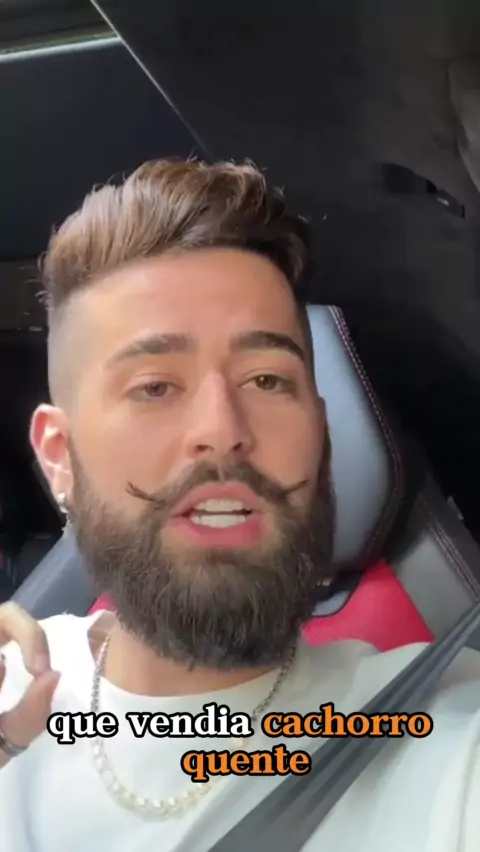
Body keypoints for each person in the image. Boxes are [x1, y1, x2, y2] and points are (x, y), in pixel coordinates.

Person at [0, 159, 479, 852]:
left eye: (266, 380)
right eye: (155, 387)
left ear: (320, 433)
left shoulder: (435, 732)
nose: (223, 429)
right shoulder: (14, 692)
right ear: (58, 457)